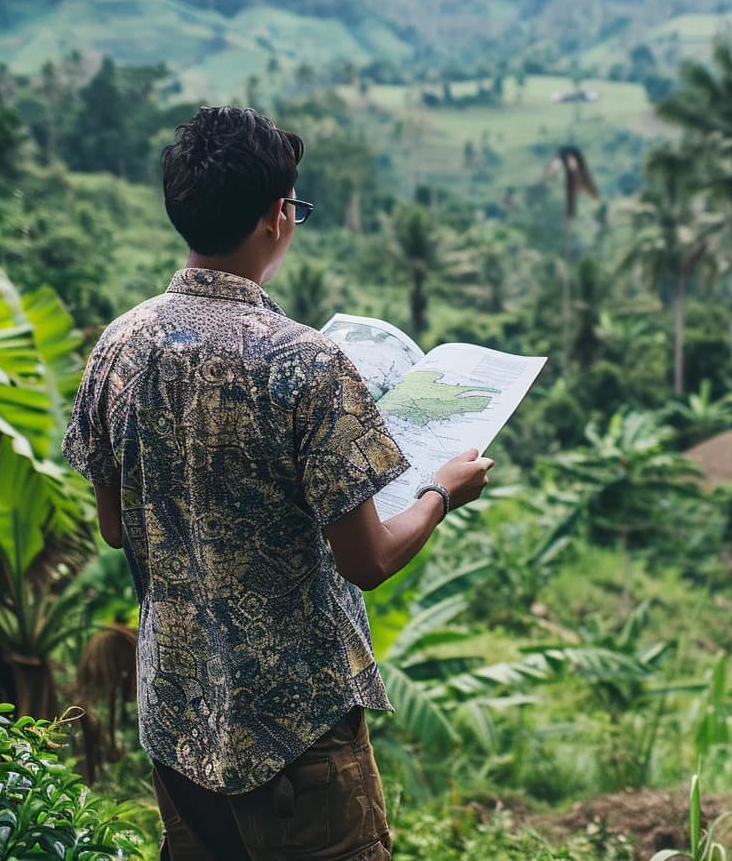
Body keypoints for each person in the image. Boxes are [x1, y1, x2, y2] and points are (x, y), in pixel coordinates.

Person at [62, 105, 494, 860]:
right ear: (274, 217)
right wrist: (440, 493)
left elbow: (113, 524)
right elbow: (368, 561)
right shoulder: (306, 363)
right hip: (296, 739)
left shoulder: (117, 346)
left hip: (176, 717)